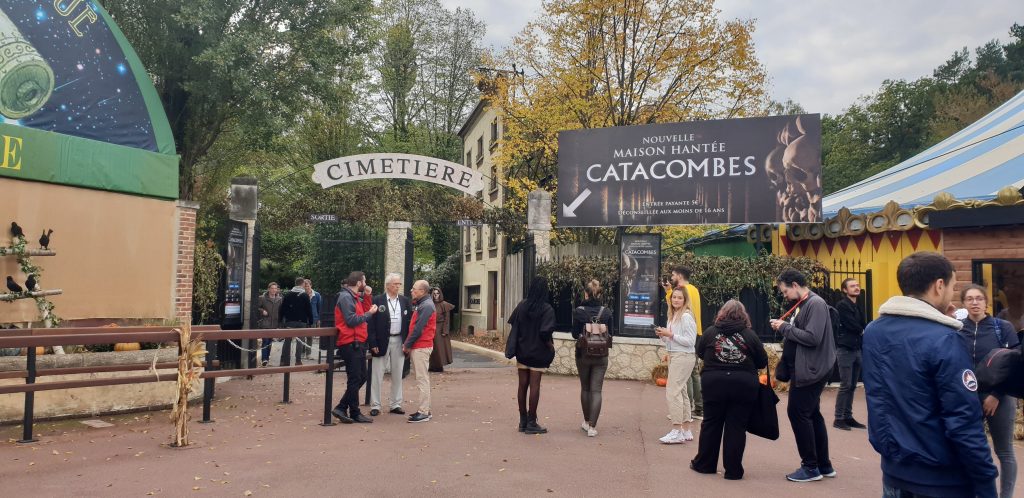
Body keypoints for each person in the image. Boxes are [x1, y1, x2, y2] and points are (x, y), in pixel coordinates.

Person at [863, 252, 997, 497]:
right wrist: (986, 478)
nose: (952, 294)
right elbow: (962, 419)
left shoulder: (874, 331)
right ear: (939, 285)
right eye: (953, 287)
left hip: (894, 469)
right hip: (941, 478)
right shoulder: (946, 339)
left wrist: (939, 322)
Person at [769, 269, 836, 483]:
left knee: (798, 413)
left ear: (796, 285)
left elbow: (812, 338)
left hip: (810, 369)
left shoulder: (814, 304)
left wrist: (785, 328)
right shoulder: (809, 303)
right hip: (809, 368)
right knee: (811, 414)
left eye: (785, 290)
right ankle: (823, 465)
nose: (785, 295)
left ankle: (810, 467)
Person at [690, 300, 768, 480]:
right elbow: (762, 362)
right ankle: (733, 471)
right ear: (744, 315)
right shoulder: (750, 335)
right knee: (736, 427)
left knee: (711, 424)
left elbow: (700, 352)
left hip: (714, 383)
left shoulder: (710, 332)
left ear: (721, 313)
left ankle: (704, 464)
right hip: (743, 385)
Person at [959, 284, 1018, 498]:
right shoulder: (956, 329)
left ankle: (1006, 495)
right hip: (967, 398)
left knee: (1004, 451)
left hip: (999, 397)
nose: (975, 303)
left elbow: (1014, 365)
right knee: (974, 450)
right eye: (970, 299)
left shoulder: (1002, 328)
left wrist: (996, 395)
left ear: (986, 302)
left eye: (979, 299)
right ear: (963, 303)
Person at [508, 277, 557, 435]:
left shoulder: (522, 305)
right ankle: (531, 422)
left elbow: (513, 322)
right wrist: (550, 347)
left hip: (522, 351)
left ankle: (522, 421)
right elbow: (545, 331)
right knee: (535, 385)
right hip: (538, 352)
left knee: (522, 385)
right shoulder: (547, 309)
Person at [330, 271, 378, 424]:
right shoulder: (345, 297)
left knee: (361, 377)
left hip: (357, 342)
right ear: (358, 283)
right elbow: (351, 320)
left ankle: (343, 407)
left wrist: (368, 297)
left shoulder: (353, 297)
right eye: (364, 281)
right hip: (351, 343)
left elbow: (362, 310)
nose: (365, 283)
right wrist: (369, 314)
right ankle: (353, 411)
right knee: (355, 378)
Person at [571, 279, 615, 438]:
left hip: (583, 354)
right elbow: (612, 334)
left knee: (585, 388)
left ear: (586, 293)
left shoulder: (579, 311)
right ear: (600, 293)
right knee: (597, 390)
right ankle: (592, 427)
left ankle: (586, 420)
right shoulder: (607, 311)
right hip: (601, 356)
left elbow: (575, 334)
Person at [655, 285, 697, 444]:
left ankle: (676, 430)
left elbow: (690, 341)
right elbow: (672, 340)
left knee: (673, 391)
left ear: (685, 300)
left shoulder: (686, 316)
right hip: (677, 355)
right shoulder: (673, 316)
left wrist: (670, 334)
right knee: (682, 391)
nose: (676, 300)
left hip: (683, 356)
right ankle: (685, 430)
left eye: (680, 298)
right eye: (674, 297)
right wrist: (663, 335)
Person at [662, 265, 704, 419]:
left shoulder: (685, 290)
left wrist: (669, 292)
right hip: (693, 333)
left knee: (688, 374)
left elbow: (675, 305)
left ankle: (692, 408)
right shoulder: (692, 289)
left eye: (673, 275)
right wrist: (668, 291)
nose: (671, 277)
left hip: (687, 336)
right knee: (691, 373)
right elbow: (673, 302)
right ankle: (694, 408)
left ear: (679, 275)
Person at [367, 273, 411, 416]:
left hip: (399, 340)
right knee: (377, 374)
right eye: (395, 284)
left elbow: (409, 322)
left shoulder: (405, 301)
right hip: (381, 341)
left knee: (398, 374)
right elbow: (371, 323)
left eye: (399, 284)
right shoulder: (377, 300)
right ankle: (375, 405)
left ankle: (395, 404)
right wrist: (372, 342)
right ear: (387, 285)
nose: (398, 286)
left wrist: (408, 342)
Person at [833, 278, 867, 431]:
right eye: (852, 286)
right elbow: (851, 324)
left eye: (857, 285)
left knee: (853, 385)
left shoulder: (857, 305)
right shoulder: (842, 305)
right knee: (845, 385)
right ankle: (838, 418)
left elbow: (862, 323)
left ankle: (848, 416)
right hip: (845, 349)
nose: (857, 288)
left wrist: (864, 330)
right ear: (845, 290)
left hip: (856, 349)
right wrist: (863, 331)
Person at [404, 280, 436, 423]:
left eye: (414, 289)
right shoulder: (424, 304)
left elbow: (419, 328)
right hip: (420, 345)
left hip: (421, 346)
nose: (412, 291)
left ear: (422, 291)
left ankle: (423, 412)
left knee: (422, 379)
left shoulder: (426, 305)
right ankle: (424, 410)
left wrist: (407, 344)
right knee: (422, 379)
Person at [278, 277, 313, 366]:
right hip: (302, 321)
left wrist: (280, 320)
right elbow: (309, 309)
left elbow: (282, 308)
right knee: (300, 342)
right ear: (302, 284)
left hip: (290, 321)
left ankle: (284, 360)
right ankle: (298, 360)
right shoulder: (305, 295)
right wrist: (311, 321)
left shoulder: (288, 294)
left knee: (287, 341)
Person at [429, 287, 455, 372]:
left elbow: (447, 320)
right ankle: (432, 365)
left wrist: (445, 331)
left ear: (440, 294)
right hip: (431, 328)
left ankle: (439, 366)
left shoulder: (445, 305)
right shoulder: (430, 304)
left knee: (439, 348)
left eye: (437, 294)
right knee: (431, 348)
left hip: (440, 329)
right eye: (434, 294)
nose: (436, 296)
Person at [256, 282, 282, 367]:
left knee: (270, 342)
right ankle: (264, 359)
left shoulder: (280, 299)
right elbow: (256, 308)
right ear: (268, 289)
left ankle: (267, 358)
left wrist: (280, 324)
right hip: (265, 323)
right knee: (265, 341)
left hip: (274, 324)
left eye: (275, 288)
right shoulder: (262, 298)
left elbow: (281, 311)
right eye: (272, 288)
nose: (274, 290)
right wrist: (262, 311)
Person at [302, 278, 323, 360]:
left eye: (307, 286)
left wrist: (319, 319)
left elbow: (319, 307)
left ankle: (308, 354)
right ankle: (302, 353)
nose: (306, 288)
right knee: (302, 336)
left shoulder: (317, 295)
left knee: (310, 337)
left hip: (313, 318)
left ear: (311, 285)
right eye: (305, 286)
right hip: (303, 318)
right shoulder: (301, 294)